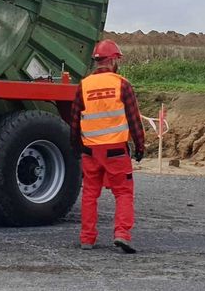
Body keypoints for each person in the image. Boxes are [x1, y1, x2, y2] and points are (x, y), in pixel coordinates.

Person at [70, 39, 146, 254]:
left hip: (90, 151)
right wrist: (140, 147)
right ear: (113, 60)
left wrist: (75, 146)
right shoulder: (122, 84)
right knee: (123, 193)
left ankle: (87, 238)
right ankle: (121, 234)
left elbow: (75, 121)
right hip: (116, 151)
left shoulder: (84, 85)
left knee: (90, 194)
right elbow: (134, 120)